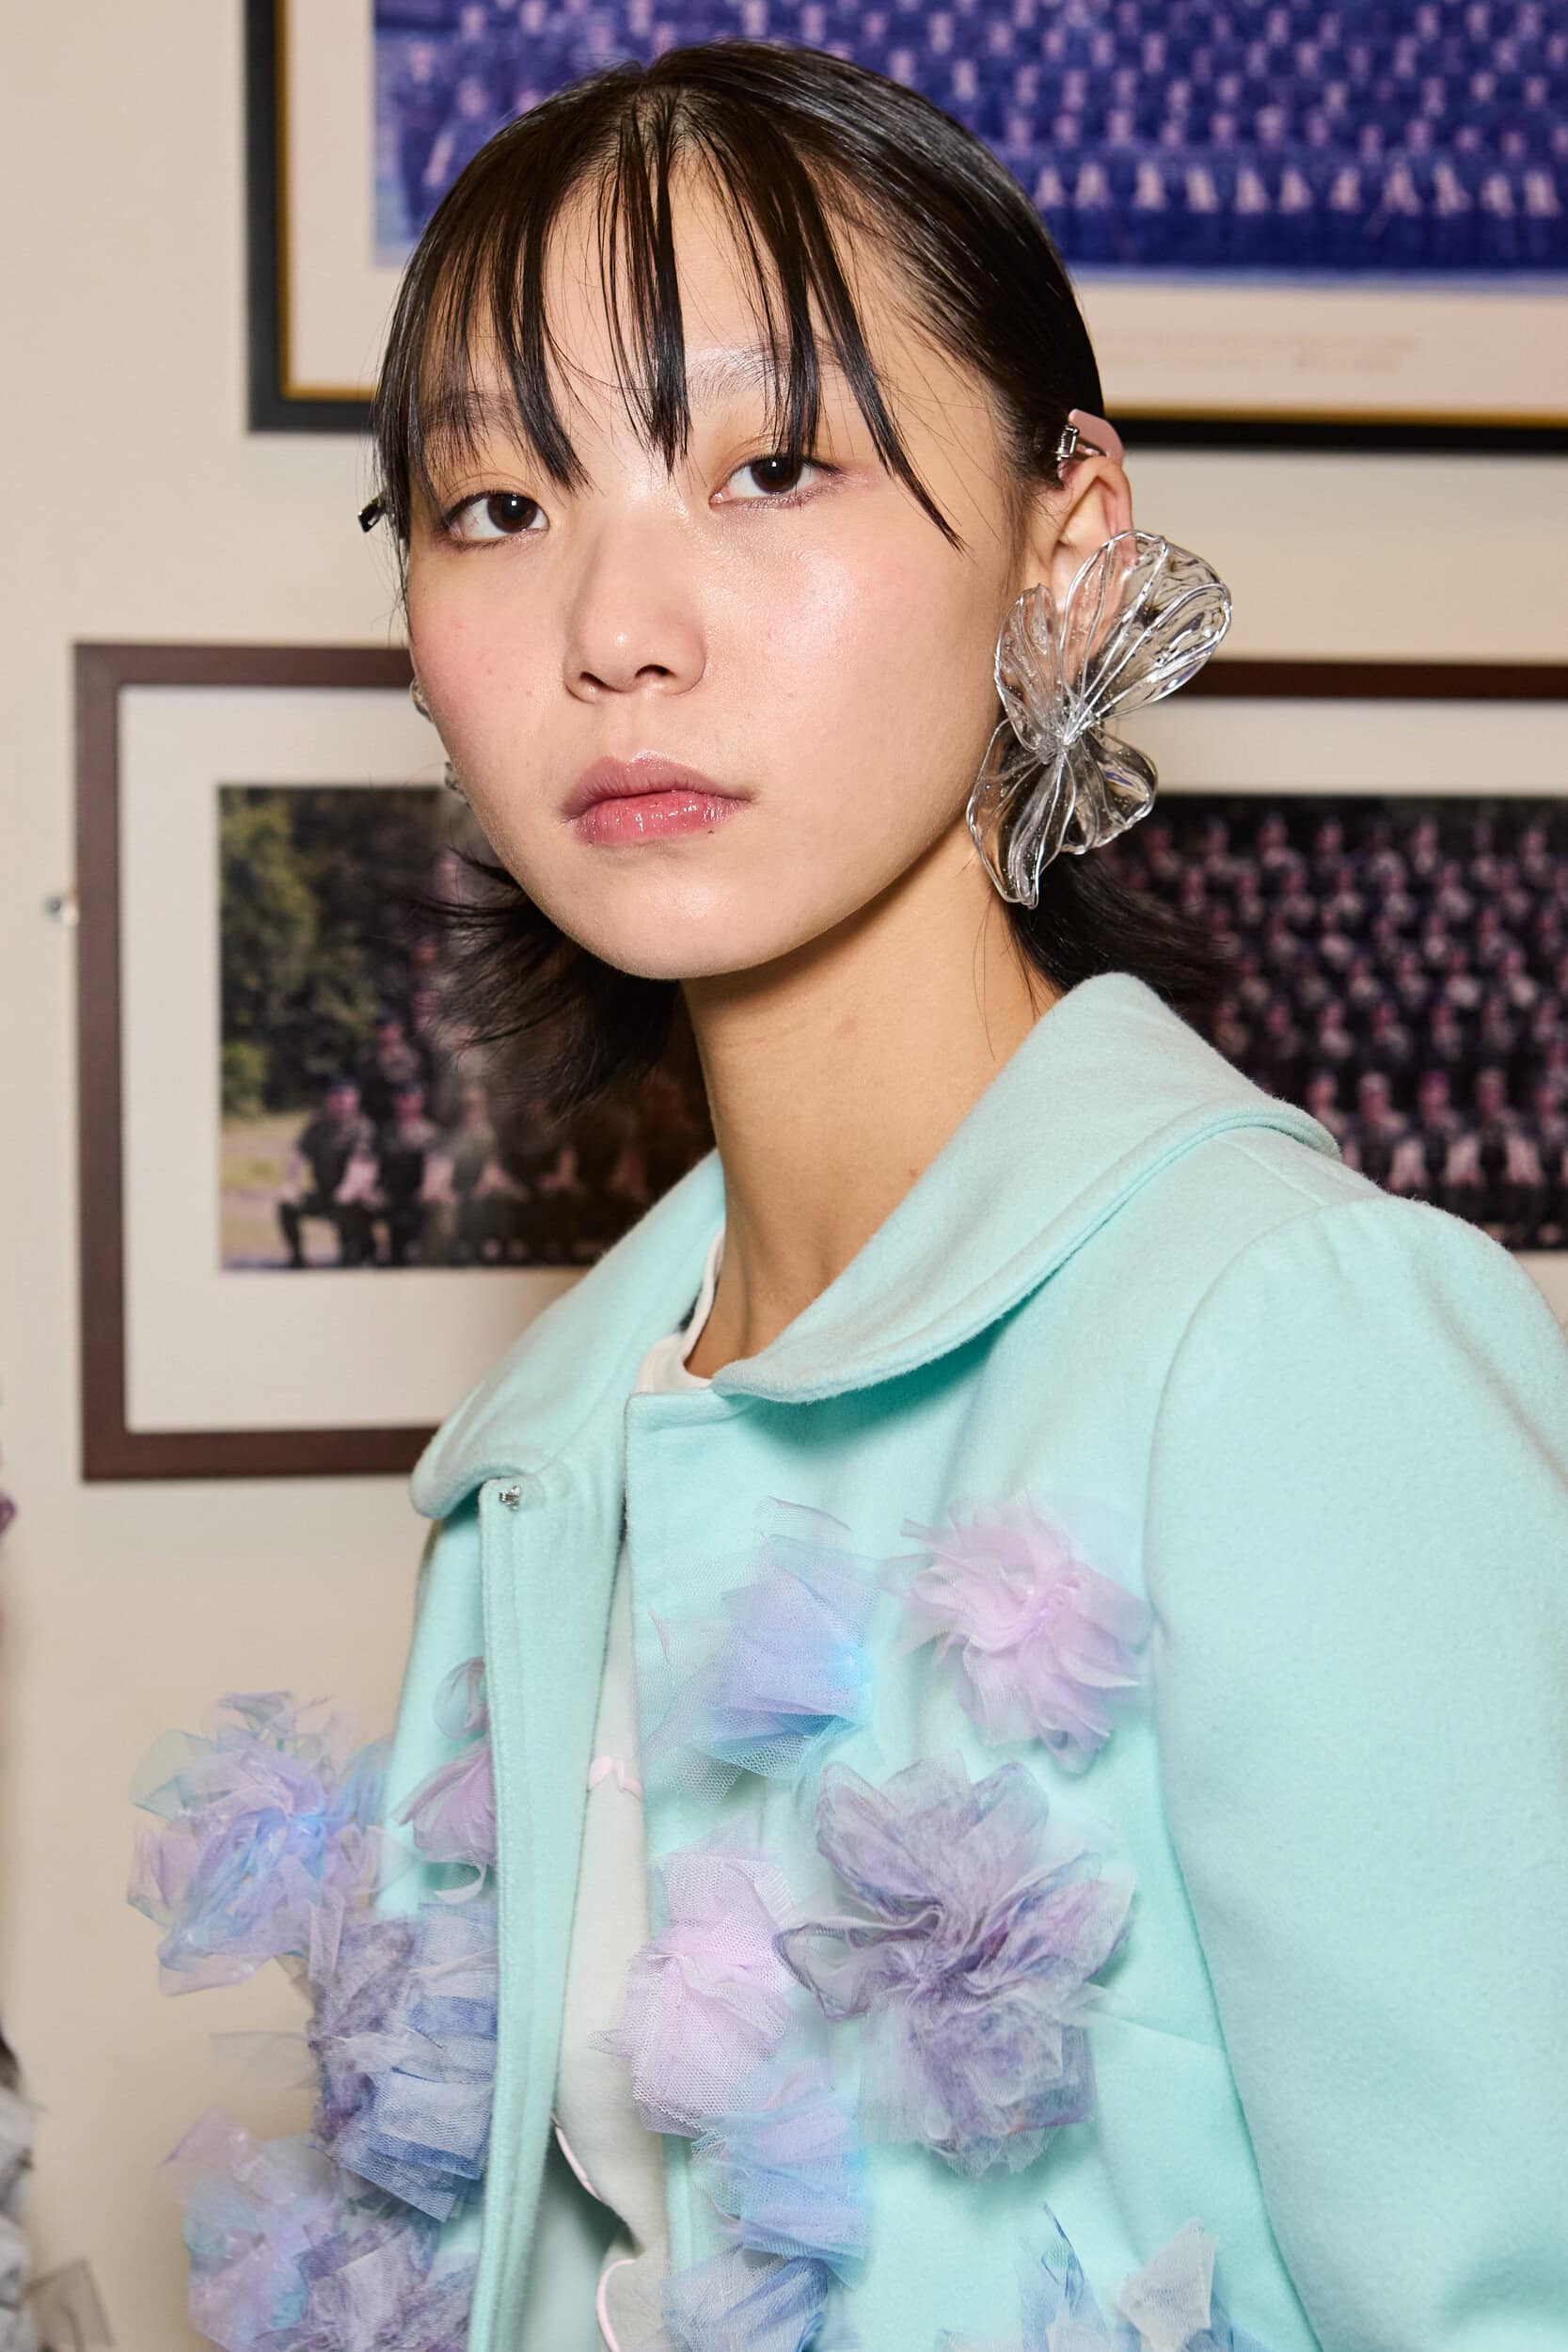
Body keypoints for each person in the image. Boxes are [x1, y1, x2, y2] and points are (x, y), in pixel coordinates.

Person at [134, 39, 1568, 2352]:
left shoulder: (1292, 1344)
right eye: (495, 504)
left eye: (770, 466)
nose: (616, 624)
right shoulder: (540, 1458)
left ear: (1061, 542)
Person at [275, 1074, 378, 1267]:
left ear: (355, 1101)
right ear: (328, 1101)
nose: (341, 1105)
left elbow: (360, 1162)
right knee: (287, 1204)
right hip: (323, 1193)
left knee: (350, 1257)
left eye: (346, 1100)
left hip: (353, 1196)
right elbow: (298, 1154)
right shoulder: (318, 1125)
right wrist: (290, 1184)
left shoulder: (363, 1127)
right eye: (336, 1100)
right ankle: (297, 1257)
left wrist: (348, 1187)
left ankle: (357, 1252)